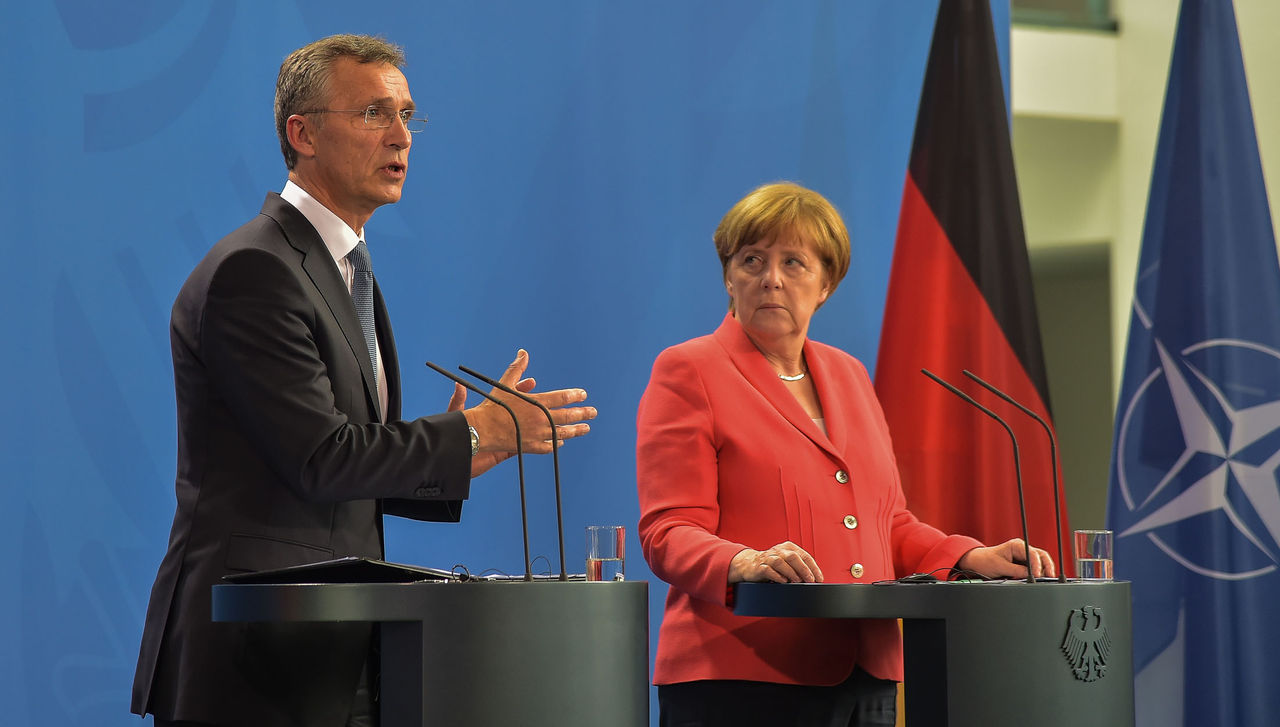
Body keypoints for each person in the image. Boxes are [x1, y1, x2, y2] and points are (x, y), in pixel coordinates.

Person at [131, 34, 596, 727]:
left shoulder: (346, 268)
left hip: (333, 642)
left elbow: (347, 462)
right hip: (253, 651)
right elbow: (321, 456)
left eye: (408, 115)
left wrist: (471, 450)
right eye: (375, 113)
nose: (401, 135)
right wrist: (467, 429)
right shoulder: (255, 270)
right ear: (303, 132)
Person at [635, 182, 1053, 727]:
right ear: (728, 276)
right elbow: (669, 530)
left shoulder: (849, 375)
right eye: (752, 260)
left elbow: (889, 526)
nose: (771, 278)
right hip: (741, 676)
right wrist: (744, 562)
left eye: (794, 263)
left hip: (867, 672)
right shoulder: (690, 369)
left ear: (826, 284)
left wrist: (968, 558)